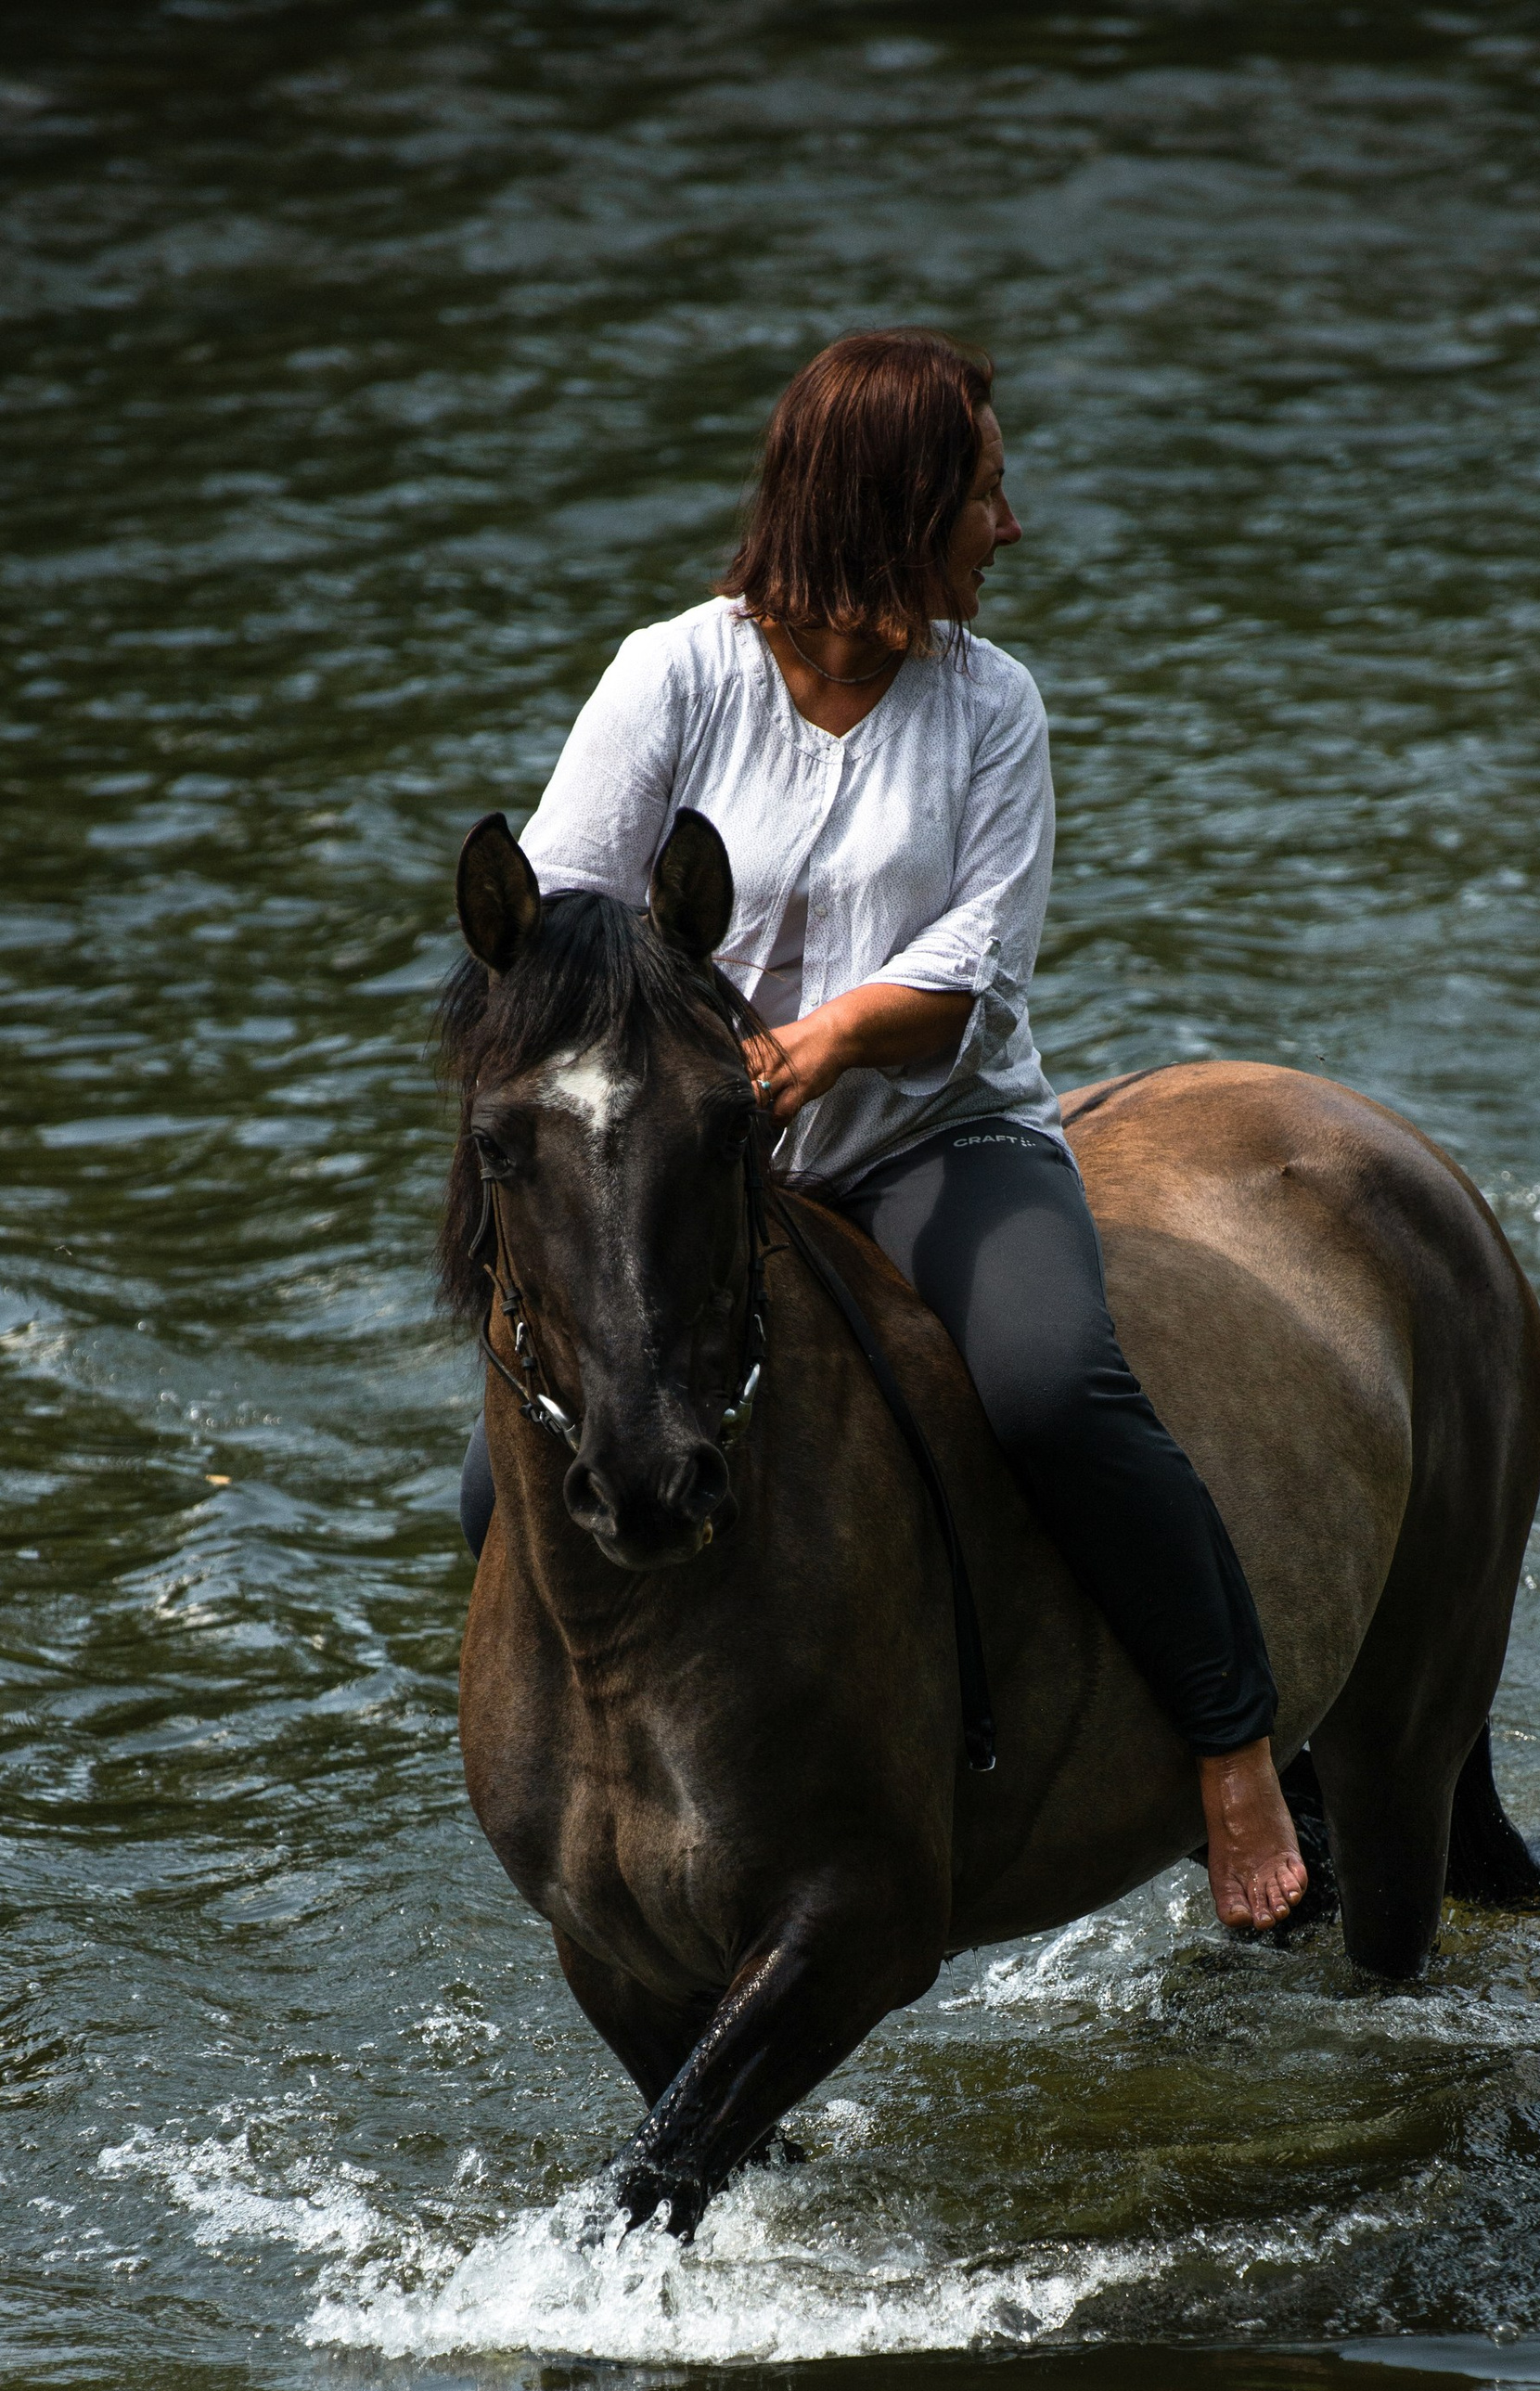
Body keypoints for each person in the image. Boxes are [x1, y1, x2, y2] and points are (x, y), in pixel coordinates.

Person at [470, 328, 1307, 1934]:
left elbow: (975, 973)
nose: (1014, 527)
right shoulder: (674, 674)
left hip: (935, 1140)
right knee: (490, 1488)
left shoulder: (993, 709)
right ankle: (618, 1785)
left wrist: (828, 1036)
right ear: (892, 505)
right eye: (985, 493)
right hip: (715, 1168)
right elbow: (567, 926)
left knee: (1054, 1388)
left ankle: (1235, 1741)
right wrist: (692, 1086)